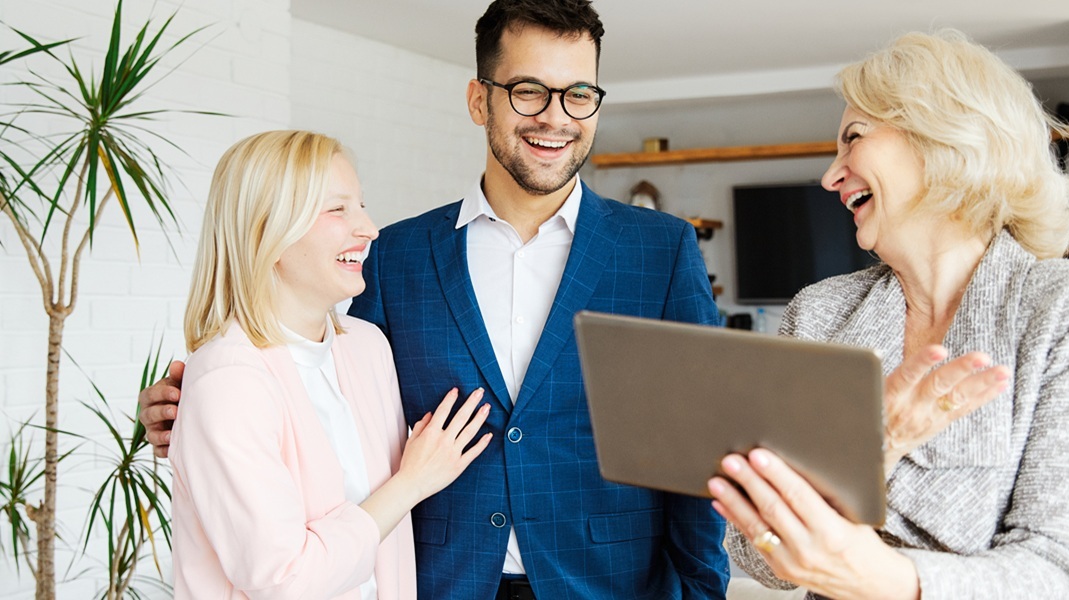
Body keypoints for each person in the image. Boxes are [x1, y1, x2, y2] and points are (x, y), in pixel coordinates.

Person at [139, 1, 730, 598]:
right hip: (438, 581)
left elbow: (702, 439)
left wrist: (702, 588)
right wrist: (191, 412)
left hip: (612, 583)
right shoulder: (397, 256)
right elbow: (332, 404)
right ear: (479, 99)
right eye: (529, 91)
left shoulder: (660, 250)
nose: (556, 117)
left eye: (578, 93)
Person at [709, 30, 1069, 599]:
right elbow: (751, 554)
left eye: (853, 139)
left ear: (944, 138)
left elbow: (1066, 574)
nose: (829, 176)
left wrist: (879, 579)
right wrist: (873, 445)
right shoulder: (818, 314)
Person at [168, 130, 491, 599]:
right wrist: (412, 483)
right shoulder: (228, 380)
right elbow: (286, 582)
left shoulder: (366, 347)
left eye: (361, 206)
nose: (370, 229)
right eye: (338, 209)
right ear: (266, 231)